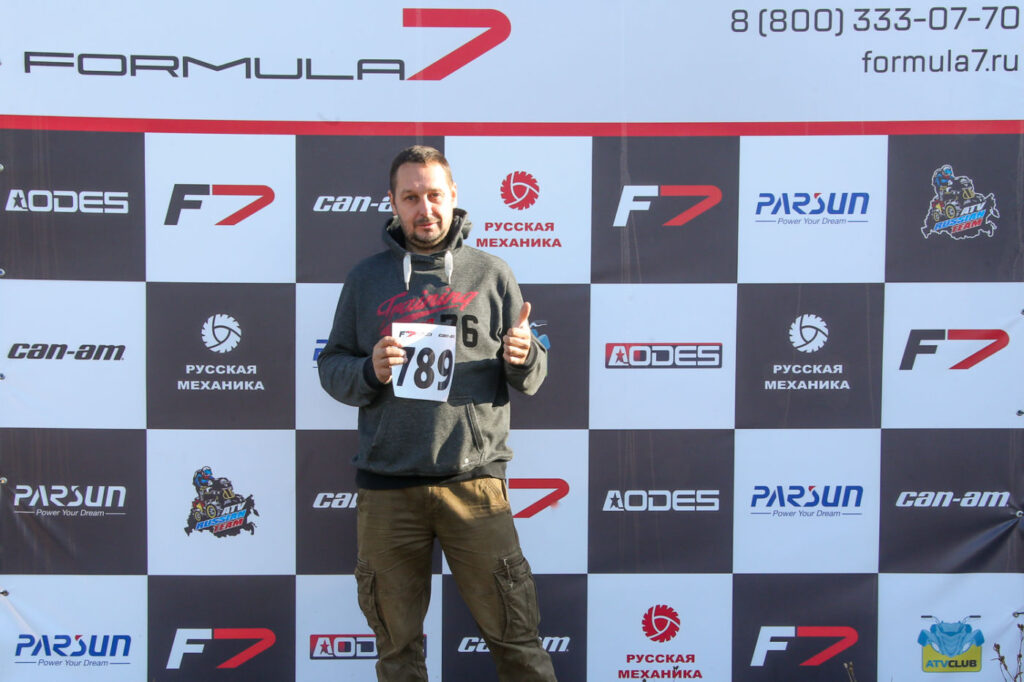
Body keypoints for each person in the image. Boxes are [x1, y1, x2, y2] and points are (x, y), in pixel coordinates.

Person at [317, 145, 557, 681]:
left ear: (453, 197)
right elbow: (331, 366)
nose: (424, 209)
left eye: (433, 195)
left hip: (474, 485)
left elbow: (532, 376)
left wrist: (524, 356)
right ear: (393, 203)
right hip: (387, 491)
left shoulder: (491, 273)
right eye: (410, 197)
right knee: (397, 653)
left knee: (517, 642)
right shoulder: (365, 279)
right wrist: (369, 370)